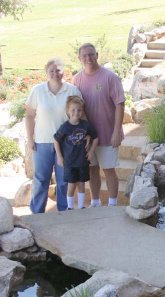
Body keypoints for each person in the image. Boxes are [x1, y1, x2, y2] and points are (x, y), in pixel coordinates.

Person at [25, 58, 82, 213]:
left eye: (58, 70)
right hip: (42, 142)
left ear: (64, 71)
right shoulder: (38, 91)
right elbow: (29, 116)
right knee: (41, 179)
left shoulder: (72, 91)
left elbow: (80, 117)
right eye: (51, 71)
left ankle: (63, 212)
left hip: (66, 145)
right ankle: (37, 213)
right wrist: (30, 139)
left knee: (64, 180)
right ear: (46, 73)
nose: (55, 73)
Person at [73, 43, 125, 207]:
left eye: (91, 54)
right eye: (84, 56)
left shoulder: (109, 77)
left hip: (108, 134)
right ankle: (95, 202)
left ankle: (112, 204)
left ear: (97, 54)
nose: (88, 58)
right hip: (88, 138)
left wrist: (117, 131)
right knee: (92, 169)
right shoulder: (77, 79)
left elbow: (120, 104)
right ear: (79, 58)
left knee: (109, 169)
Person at [54, 96, 98, 210]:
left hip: (82, 160)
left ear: (82, 111)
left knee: (82, 184)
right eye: (73, 110)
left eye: (79, 110)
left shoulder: (85, 125)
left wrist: (92, 151)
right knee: (71, 185)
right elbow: (56, 140)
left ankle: (81, 206)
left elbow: (96, 137)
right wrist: (59, 156)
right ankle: (70, 207)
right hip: (69, 162)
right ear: (68, 111)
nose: (76, 112)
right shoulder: (65, 127)